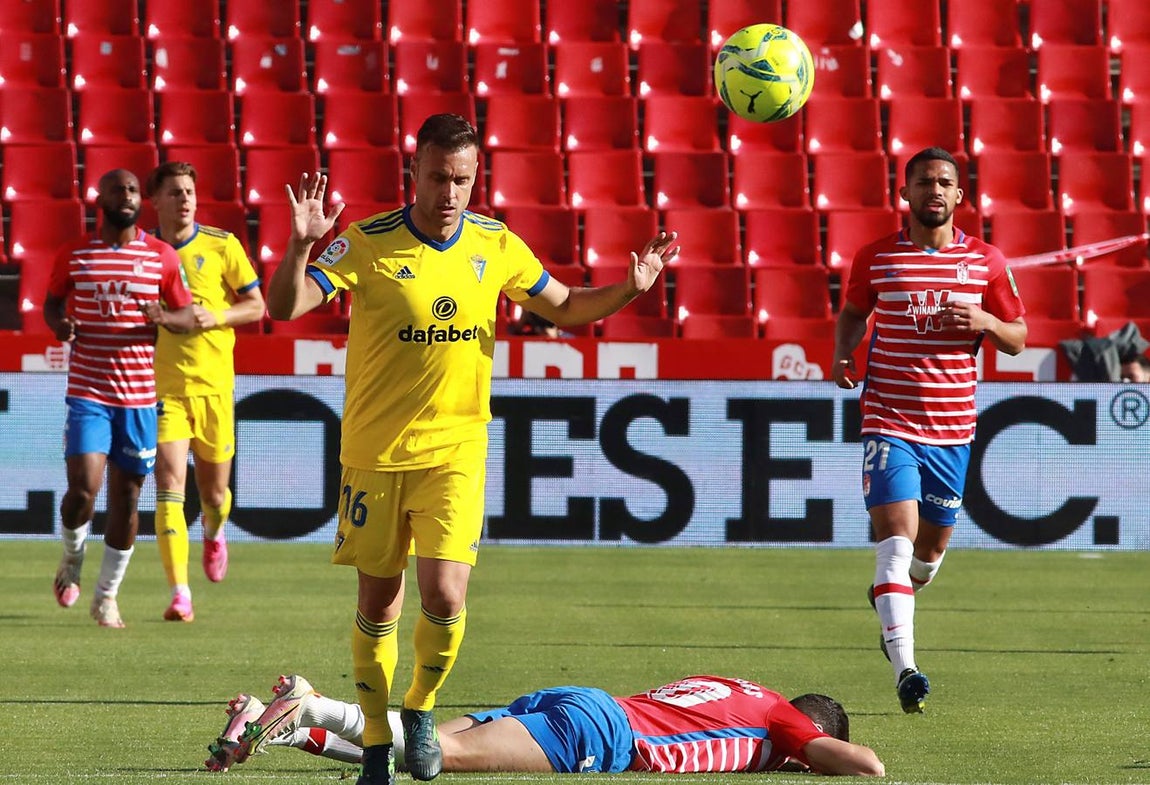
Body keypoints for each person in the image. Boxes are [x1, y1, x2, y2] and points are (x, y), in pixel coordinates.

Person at [265, 113, 678, 785]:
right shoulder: (367, 243)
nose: (448, 192)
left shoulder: (497, 243)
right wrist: (299, 248)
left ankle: (421, 708)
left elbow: (566, 304)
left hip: (457, 448)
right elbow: (289, 305)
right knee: (379, 606)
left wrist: (629, 289)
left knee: (447, 595)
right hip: (375, 454)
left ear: (475, 176)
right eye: (436, 178)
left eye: (460, 179)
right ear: (415, 172)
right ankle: (375, 743)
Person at [832, 147, 1027, 714]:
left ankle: (892, 605)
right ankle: (906, 669)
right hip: (888, 421)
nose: (933, 191)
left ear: (960, 196)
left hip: (953, 431)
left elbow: (1018, 336)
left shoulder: (987, 262)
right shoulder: (875, 258)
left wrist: (987, 321)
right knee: (893, 543)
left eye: (944, 183)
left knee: (928, 556)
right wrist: (844, 354)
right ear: (905, 193)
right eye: (923, 182)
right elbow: (852, 312)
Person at [205, 673, 885, 778]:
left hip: (581, 698)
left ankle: (298, 725)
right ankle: (313, 702)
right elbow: (867, 765)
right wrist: (806, 753)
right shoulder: (785, 719)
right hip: (599, 735)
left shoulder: (749, 689)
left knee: (422, 752)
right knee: (435, 754)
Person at [44, 169, 196, 628]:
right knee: (83, 492)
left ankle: (106, 597)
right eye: (119, 189)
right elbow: (52, 302)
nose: (127, 195)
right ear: (100, 199)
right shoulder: (75, 255)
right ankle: (72, 556)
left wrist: (166, 316)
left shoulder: (161, 257)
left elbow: (188, 314)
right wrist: (60, 325)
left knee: (128, 500)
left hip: (139, 398)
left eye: (133, 189)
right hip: (89, 391)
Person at [145, 161, 265, 623]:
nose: (185, 199)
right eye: (175, 192)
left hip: (215, 388)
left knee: (214, 495)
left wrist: (217, 316)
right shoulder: (145, 252)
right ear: (156, 201)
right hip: (164, 390)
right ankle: (180, 593)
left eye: (190, 191)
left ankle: (214, 533)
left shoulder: (221, 245)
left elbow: (256, 305)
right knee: (169, 485)